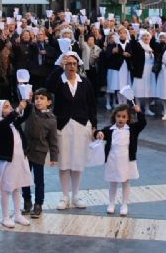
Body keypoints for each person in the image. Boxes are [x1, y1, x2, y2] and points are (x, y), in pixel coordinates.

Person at [46, 52, 97, 210]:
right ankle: (65, 195)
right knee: (65, 162)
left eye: (74, 64)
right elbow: (47, 86)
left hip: (82, 125)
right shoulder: (59, 82)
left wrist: (94, 125)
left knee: (77, 162)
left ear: (78, 65)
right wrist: (58, 67)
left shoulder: (85, 82)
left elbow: (91, 104)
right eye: (68, 64)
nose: (71, 67)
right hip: (63, 125)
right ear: (64, 65)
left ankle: (76, 195)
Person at [95, 104, 146, 216]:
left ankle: (124, 204)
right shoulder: (109, 130)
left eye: (124, 117)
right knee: (113, 182)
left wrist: (139, 112)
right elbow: (99, 132)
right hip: (113, 159)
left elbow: (143, 123)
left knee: (125, 182)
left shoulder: (132, 129)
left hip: (127, 160)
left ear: (128, 118)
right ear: (115, 117)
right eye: (118, 116)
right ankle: (111, 203)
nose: (121, 119)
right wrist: (98, 133)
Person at [0, 99, 33, 228]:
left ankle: (17, 214)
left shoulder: (14, 123)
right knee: (6, 189)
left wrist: (28, 102)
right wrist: (17, 110)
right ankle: (5, 217)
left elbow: (26, 115)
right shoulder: (0, 124)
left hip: (20, 159)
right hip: (7, 161)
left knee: (18, 187)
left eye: (10, 106)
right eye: (6, 107)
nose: (9, 108)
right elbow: (7, 120)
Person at [21, 88, 59, 218]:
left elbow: (53, 140)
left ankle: (38, 204)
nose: (38, 101)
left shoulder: (52, 120)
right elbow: (25, 107)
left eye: (42, 98)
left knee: (39, 180)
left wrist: (54, 156)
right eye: (36, 98)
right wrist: (27, 98)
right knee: (24, 178)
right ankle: (27, 200)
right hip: (26, 150)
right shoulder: (30, 111)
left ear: (49, 102)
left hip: (39, 152)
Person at [106, 27, 132, 109]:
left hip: (126, 67)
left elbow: (132, 54)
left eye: (124, 33)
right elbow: (109, 54)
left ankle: (125, 103)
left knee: (125, 86)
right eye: (120, 33)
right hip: (118, 67)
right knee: (119, 86)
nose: (122, 34)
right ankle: (120, 103)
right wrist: (113, 51)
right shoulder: (114, 44)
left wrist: (129, 55)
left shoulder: (129, 43)